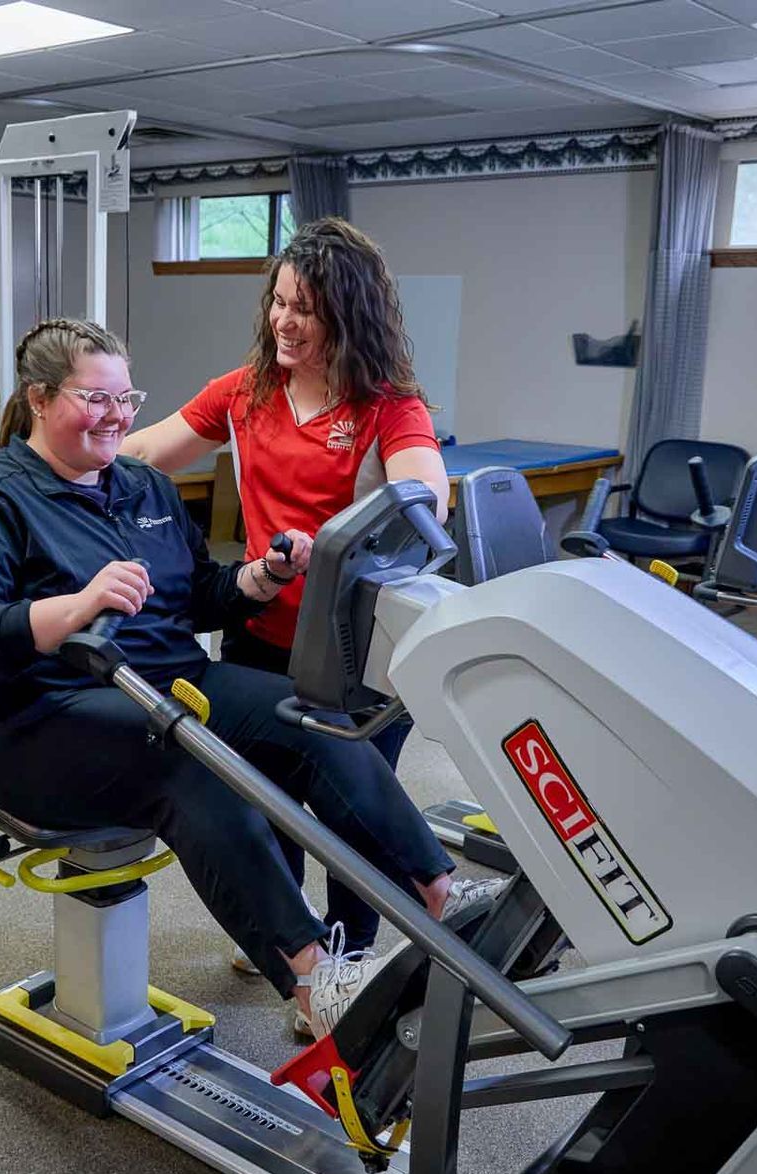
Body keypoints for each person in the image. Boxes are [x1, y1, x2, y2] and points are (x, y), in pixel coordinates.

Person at [0, 317, 493, 1038]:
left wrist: (257, 578)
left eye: (126, 400)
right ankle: (317, 981)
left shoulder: (141, 487)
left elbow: (195, 595)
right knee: (189, 760)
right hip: (31, 717)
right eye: (96, 400)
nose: (117, 417)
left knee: (313, 719)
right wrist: (72, 608)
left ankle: (443, 894)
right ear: (38, 398)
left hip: (162, 683)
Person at [121, 216, 448, 960]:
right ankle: (293, 933)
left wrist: (373, 524)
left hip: (352, 655)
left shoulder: (388, 406)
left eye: (305, 308)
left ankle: (352, 956)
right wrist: (53, 460)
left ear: (348, 314)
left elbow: (424, 497)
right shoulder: (245, 392)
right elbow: (144, 453)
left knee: (352, 816)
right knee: (264, 800)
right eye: (279, 302)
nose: (284, 321)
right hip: (261, 636)